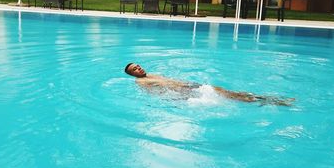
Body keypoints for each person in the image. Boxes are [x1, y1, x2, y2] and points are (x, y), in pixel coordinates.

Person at [124, 63, 294, 105]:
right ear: (132, 75)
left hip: (189, 86)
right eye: (135, 69)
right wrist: (178, 98)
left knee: (224, 91)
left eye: (138, 66)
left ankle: (262, 98)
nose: (139, 68)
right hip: (185, 93)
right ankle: (268, 101)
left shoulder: (153, 74)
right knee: (225, 95)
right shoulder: (142, 83)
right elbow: (158, 94)